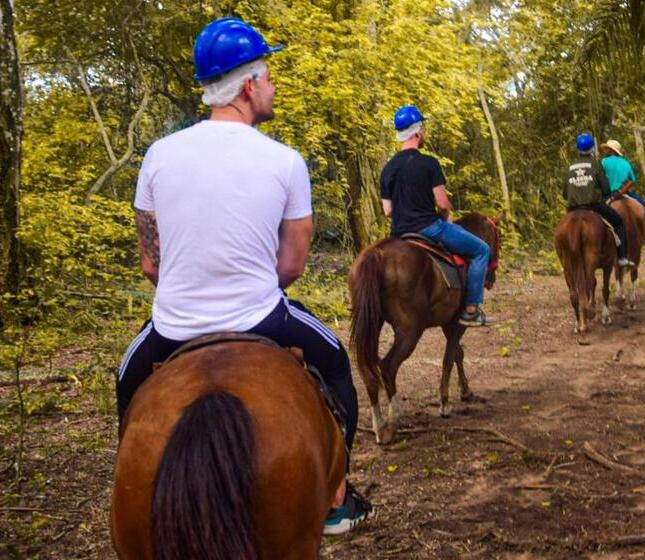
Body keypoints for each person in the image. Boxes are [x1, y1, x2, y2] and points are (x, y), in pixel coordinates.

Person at [116, 17, 371, 535]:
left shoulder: (159, 156)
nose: (273, 88)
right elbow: (293, 265)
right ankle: (335, 496)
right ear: (249, 85)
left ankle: (130, 482)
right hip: (262, 317)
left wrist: (191, 291)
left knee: (126, 382)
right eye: (270, 78)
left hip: (172, 325)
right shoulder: (284, 160)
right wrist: (245, 286)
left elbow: (150, 263)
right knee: (337, 361)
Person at [380, 105, 492, 327]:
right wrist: (445, 215)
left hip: (399, 234)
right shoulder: (429, 163)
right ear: (417, 132)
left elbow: (388, 211)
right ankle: (471, 309)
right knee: (482, 250)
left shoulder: (388, 168)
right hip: (430, 228)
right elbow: (442, 203)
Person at [563, 133, 634, 267]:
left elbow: (565, 194)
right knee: (619, 223)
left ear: (577, 148)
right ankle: (622, 257)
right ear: (591, 149)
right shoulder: (596, 164)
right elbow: (606, 189)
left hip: (573, 208)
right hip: (594, 206)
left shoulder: (569, 166)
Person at [600, 139, 645, 240]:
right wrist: (621, 191)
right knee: (643, 205)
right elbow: (632, 181)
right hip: (623, 192)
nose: (605, 151)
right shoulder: (626, 163)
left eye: (607, 149)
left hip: (607, 194)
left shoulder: (604, 162)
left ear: (611, 150)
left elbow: (599, 178)